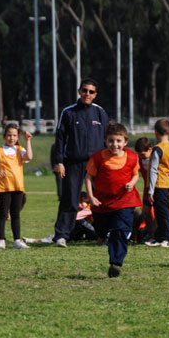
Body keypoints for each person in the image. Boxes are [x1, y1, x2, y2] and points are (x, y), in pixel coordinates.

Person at [53, 77, 109, 248]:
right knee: (69, 199)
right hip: (73, 163)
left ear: (95, 94)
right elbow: (60, 139)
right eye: (84, 90)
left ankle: (103, 235)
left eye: (91, 91)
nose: (87, 94)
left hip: (96, 163)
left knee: (99, 199)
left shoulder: (100, 112)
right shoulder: (68, 112)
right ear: (79, 91)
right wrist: (59, 162)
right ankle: (62, 235)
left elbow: (108, 139)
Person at [85, 122, 141, 277]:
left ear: (125, 142)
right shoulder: (97, 158)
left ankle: (115, 262)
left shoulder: (132, 157)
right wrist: (91, 196)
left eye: (118, 141)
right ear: (105, 141)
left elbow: (136, 174)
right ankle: (102, 235)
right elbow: (89, 177)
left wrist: (132, 183)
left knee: (120, 230)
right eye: (111, 141)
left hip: (125, 201)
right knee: (101, 228)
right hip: (101, 203)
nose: (114, 144)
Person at [0, 123, 33, 249]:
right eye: (9, 135)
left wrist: (28, 141)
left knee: (16, 214)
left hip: (18, 187)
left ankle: (17, 240)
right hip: (4, 187)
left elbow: (29, 157)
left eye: (14, 135)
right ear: (4, 136)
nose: (11, 138)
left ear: (17, 137)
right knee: (2, 213)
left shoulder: (19, 150)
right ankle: (1, 240)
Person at [145, 118, 169, 248]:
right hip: (166, 183)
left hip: (158, 184)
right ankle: (159, 237)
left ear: (156, 132)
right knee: (159, 211)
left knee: (163, 212)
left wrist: (150, 190)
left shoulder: (157, 149)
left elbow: (153, 169)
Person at [134, 137, 156, 240]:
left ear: (150, 149)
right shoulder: (139, 160)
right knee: (146, 211)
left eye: (143, 154)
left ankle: (157, 232)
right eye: (139, 154)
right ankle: (150, 232)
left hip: (157, 188)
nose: (141, 156)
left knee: (158, 212)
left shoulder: (155, 159)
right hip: (147, 189)